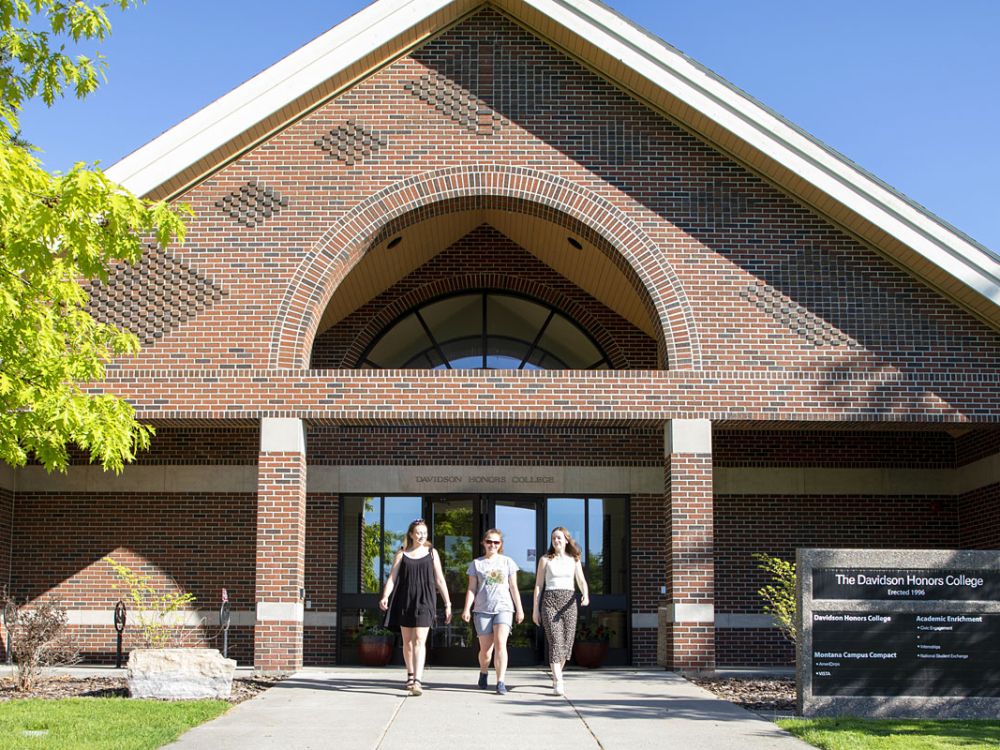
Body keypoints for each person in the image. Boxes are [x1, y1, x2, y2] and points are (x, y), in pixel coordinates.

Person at [380, 519, 452, 696]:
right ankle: (410, 675)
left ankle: (418, 681)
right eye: (418, 532)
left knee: (420, 639)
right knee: (408, 642)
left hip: (426, 599)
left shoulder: (432, 553)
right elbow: (392, 578)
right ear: (411, 534)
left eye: (424, 533)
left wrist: (448, 603)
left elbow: (440, 579)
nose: (422, 536)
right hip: (405, 600)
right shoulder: (402, 554)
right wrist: (385, 596)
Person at [461, 528, 524, 695]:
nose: (492, 545)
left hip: (504, 608)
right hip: (482, 610)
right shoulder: (476, 564)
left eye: (496, 542)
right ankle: (483, 671)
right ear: (483, 543)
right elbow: (471, 588)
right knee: (486, 651)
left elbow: (513, 587)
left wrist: (520, 609)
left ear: (500, 544)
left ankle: (500, 681)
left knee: (501, 644)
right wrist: (467, 608)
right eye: (489, 541)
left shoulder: (507, 562)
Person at [531, 526, 589, 696]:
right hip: (550, 601)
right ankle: (558, 680)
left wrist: (585, 595)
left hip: (569, 602)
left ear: (566, 540)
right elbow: (538, 586)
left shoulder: (574, 559)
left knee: (566, 645)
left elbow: (581, 581)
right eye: (553, 538)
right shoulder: (545, 560)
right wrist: (535, 610)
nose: (556, 540)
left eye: (559, 538)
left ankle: (557, 674)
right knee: (556, 642)